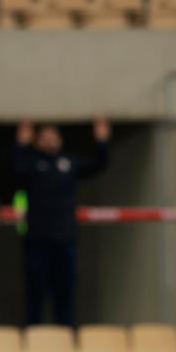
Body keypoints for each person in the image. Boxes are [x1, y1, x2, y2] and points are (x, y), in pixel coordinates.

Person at [12, 118, 111, 327]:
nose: (49, 141)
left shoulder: (69, 162)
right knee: (35, 294)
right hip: (38, 240)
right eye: (44, 137)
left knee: (65, 294)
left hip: (65, 239)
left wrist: (102, 141)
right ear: (37, 141)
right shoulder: (31, 163)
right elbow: (14, 168)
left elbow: (98, 165)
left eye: (53, 137)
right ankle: (33, 334)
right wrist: (21, 144)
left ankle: (65, 336)